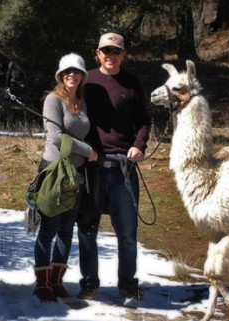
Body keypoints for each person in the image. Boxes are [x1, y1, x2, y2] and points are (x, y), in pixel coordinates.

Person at [77, 33, 151, 302]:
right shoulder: (85, 80)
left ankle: (128, 284)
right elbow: (72, 117)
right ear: (97, 53)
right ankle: (89, 283)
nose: (110, 55)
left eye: (115, 51)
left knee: (128, 233)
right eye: (105, 50)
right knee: (87, 230)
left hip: (124, 168)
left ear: (123, 54)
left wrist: (139, 145)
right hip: (92, 168)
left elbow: (144, 120)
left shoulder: (132, 83)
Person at [32, 53, 98, 302]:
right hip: (55, 170)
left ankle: (57, 281)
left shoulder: (82, 102)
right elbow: (57, 136)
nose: (72, 75)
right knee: (49, 227)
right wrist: (88, 151)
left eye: (77, 71)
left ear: (82, 76)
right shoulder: (53, 100)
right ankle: (42, 284)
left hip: (76, 174)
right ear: (61, 75)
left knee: (67, 229)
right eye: (67, 72)